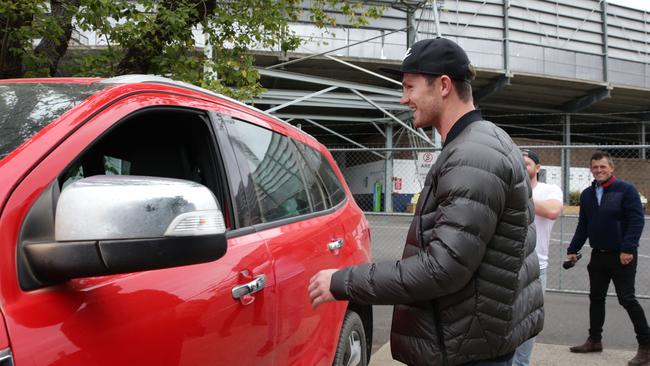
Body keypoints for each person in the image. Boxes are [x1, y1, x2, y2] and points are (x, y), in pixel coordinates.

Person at [308, 37, 544, 366]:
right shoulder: (479, 143)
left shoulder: (473, 155)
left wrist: (342, 281)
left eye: (410, 87)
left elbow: (441, 269)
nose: (404, 98)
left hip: (468, 351)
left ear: (443, 85)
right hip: (475, 341)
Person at [566, 151, 650, 365]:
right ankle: (594, 340)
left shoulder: (626, 190)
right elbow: (583, 225)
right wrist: (573, 249)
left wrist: (628, 248)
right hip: (598, 256)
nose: (599, 170)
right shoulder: (587, 194)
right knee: (596, 298)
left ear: (612, 168)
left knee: (627, 299)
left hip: (622, 256)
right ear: (591, 170)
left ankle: (646, 347)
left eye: (603, 167)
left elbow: (636, 221)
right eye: (595, 167)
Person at [513, 149, 563, 366]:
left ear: (538, 168)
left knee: (528, 322)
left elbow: (552, 211)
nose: (523, 168)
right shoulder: (510, 189)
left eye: (527, 164)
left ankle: (520, 364)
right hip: (507, 265)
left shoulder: (549, 189)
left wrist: (519, 196)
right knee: (505, 320)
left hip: (535, 268)